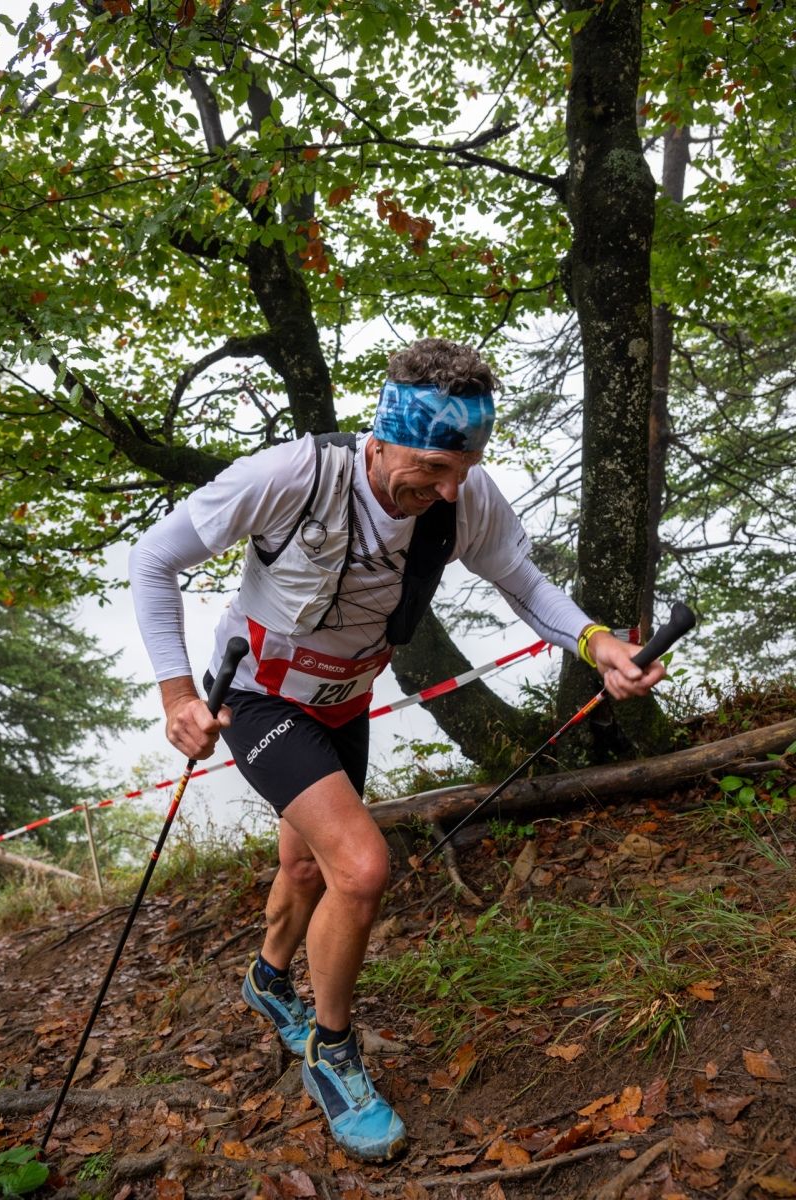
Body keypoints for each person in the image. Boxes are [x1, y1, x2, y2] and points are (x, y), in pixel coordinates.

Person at [129, 337, 664, 1163]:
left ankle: (268, 979)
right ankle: (333, 1052)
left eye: (464, 468)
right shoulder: (293, 476)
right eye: (435, 468)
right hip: (261, 699)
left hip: (346, 703)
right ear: (381, 439)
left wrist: (599, 645)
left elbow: (523, 583)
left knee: (307, 868)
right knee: (361, 867)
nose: (449, 489)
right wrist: (175, 697)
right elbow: (154, 558)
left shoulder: (463, 497)